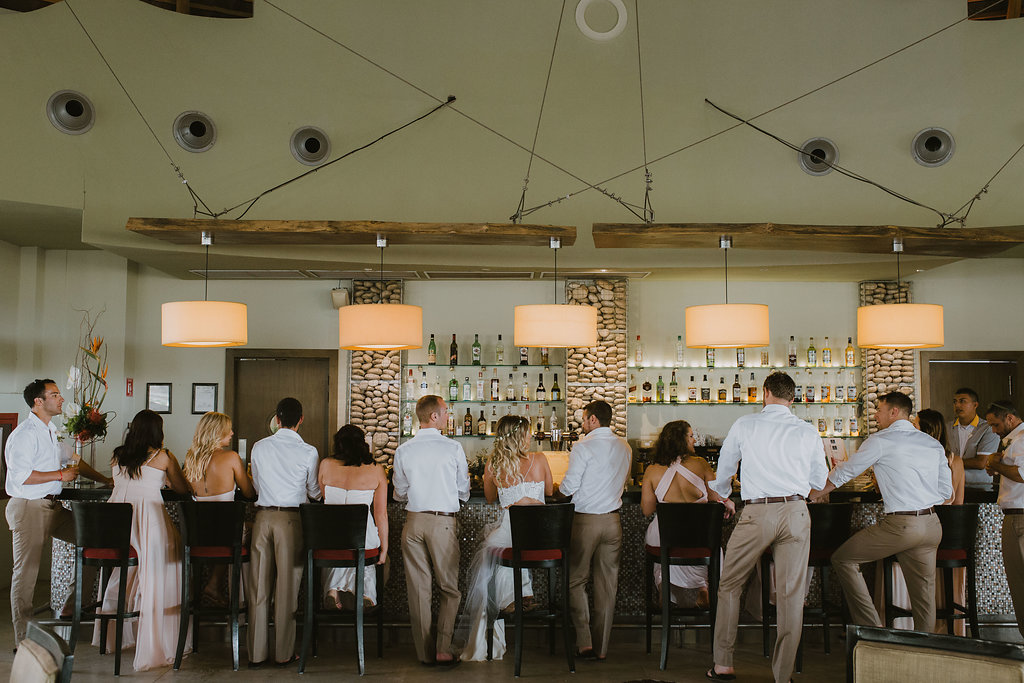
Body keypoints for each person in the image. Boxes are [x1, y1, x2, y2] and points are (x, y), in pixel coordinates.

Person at [708, 371, 827, 683]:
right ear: (792, 398)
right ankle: (783, 674)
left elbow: (725, 465)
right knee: (790, 595)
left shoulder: (746, 424)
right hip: (797, 511)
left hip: (758, 512)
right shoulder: (806, 430)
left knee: (730, 584)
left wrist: (723, 493)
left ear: (765, 393)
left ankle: (723, 664)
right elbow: (818, 482)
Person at [813, 391, 951, 634]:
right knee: (924, 597)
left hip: (902, 525)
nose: (876, 415)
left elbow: (846, 472)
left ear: (894, 412)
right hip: (932, 524)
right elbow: (945, 492)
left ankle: (872, 628)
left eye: (879, 409)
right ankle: (926, 650)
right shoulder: (931, 443)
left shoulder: (881, 440)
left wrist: (812, 493)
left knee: (843, 559)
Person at [5, 378, 112, 649]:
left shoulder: (50, 430)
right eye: (55, 395)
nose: (61, 398)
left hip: (51, 507)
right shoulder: (25, 434)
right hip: (29, 507)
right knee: (26, 574)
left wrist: (106, 480)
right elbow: (22, 476)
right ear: (38, 402)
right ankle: (24, 641)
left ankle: (70, 606)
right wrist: (60, 475)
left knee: (94, 540)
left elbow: (73, 459)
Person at [92, 409, 192, 671]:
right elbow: (183, 489)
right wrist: (166, 480)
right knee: (167, 563)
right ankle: (159, 639)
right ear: (158, 431)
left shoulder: (117, 455)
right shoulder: (163, 456)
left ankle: (114, 637)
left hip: (117, 526)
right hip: (148, 521)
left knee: (122, 573)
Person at [456, 415, 553, 661]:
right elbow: (551, 492)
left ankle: (512, 600)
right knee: (506, 548)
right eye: (528, 433)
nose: (531, 437)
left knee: (496, 550)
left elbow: (490, 498)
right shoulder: (540, 459)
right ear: (518, 437)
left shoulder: (493, 464)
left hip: (511, 532)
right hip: (543, 538)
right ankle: (522, 595)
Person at [392, 395, 470, 666]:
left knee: (419, 591)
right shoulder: (453, 448)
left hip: (413, 522)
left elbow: (399, 493)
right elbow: (463, 490)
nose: (449, 416)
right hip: (442, 522)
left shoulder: (403, 450)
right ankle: (443, 648)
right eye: (446, 411)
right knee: (450, 588)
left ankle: (425, 654)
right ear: (434, 416)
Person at [246, 397, 320, 668]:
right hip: (291, 520)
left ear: (277, 420)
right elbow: (314, 491)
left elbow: (255, 485)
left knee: (258, 588)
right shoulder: (309, 452)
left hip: (262, 518)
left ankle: (255, 654)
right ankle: (283, 653)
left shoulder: (259, 447)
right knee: (287, 588)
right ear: (301, 419)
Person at [878, 408, 965, 632]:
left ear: (925, 430)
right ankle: (934, 629)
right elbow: (958, 504)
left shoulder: (911, 457)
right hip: (948, 539)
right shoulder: (955, 460)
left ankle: (891, 622)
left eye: (914, 424)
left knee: (889, 548)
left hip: (916, 532)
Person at [556, 400, 630, 662]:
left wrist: (557, 491)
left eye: (585, 419)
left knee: (576, 580)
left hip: (585, 521)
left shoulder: (583, 447)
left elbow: (569, 486)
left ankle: (584, 642)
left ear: (594, 420)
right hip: (613, 522)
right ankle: (602, 648)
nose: (582, 423)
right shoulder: (625, 446)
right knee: (607, 586)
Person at [640, 420, 734, 607]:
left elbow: (647, 510)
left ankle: (664, 587)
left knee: (659, 542)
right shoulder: (701, 464)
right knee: (708, 547)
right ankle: (703, 588)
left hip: (664, 539)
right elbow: (716, 498)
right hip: (699, 537)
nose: (694, 440)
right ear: (681, 440)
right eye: (691, 436)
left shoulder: (652, 470)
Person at [182, 411, 256, 605]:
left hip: (197, 533)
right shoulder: (231, 458)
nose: (232, 433)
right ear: (217, 432)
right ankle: (245, 599)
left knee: (225, 529)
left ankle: (209, 586)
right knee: (257, 530)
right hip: (226, 534)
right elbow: (249, 493)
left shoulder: (190, 459)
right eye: (228, 430)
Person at [319, 424, 388, 610]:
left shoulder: (325, 465)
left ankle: (332, 591)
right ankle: (365, 593)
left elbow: (325, 497)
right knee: (363, 549)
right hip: (362, 539)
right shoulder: (376, 469)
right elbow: (380, 514)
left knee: (339, 544)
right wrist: (384, 547)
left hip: (330, 539)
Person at [983, 400, 1024, 638]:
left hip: (1020, 517)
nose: (994, 430)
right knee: (1017, 584)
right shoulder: (1011, 442)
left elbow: (1021, 474)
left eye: (996, 424)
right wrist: (997, 465)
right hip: (1013, 517)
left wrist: (996, 464)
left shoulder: (1021, 440)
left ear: (1009, 418)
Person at [951, 387, 1000, 488]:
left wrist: (951, 462)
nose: (957, 405)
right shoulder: (947, 427)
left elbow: (981, 463)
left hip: (979, 487)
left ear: (975, 405)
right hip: (952, 485)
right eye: (955, 402)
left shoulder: (988, 428)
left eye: (962, 401)